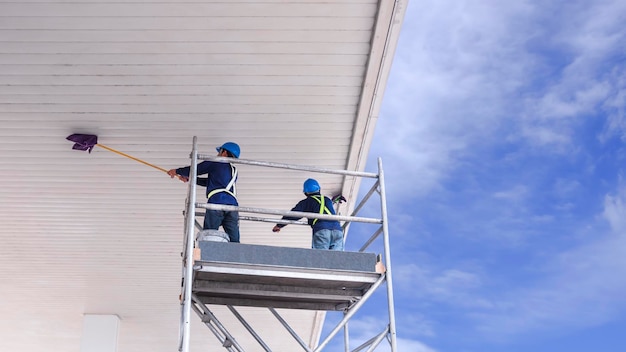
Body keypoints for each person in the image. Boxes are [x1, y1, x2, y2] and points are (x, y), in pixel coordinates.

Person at [168, 142, 241, 243]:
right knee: (234, 240)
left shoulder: (216, 162)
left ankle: (208, 253)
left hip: (217, 202)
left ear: (224, 152)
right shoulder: (233, 171)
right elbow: (211, 182)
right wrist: (191, 179)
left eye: (219, 152)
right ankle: (235, 256)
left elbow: (196, 169)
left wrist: (177, 171)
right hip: (233, 206)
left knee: (209, 236)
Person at [272, 178, 344, 251]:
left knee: (321, 258)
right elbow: (325, 207)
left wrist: (279, 225)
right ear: (319, 189)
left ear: (306, 192)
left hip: (322, 229)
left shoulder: (306, 202)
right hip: (337, 230)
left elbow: (294, 214)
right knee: (337, 259)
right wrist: (336, 199)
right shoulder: (327, 200)